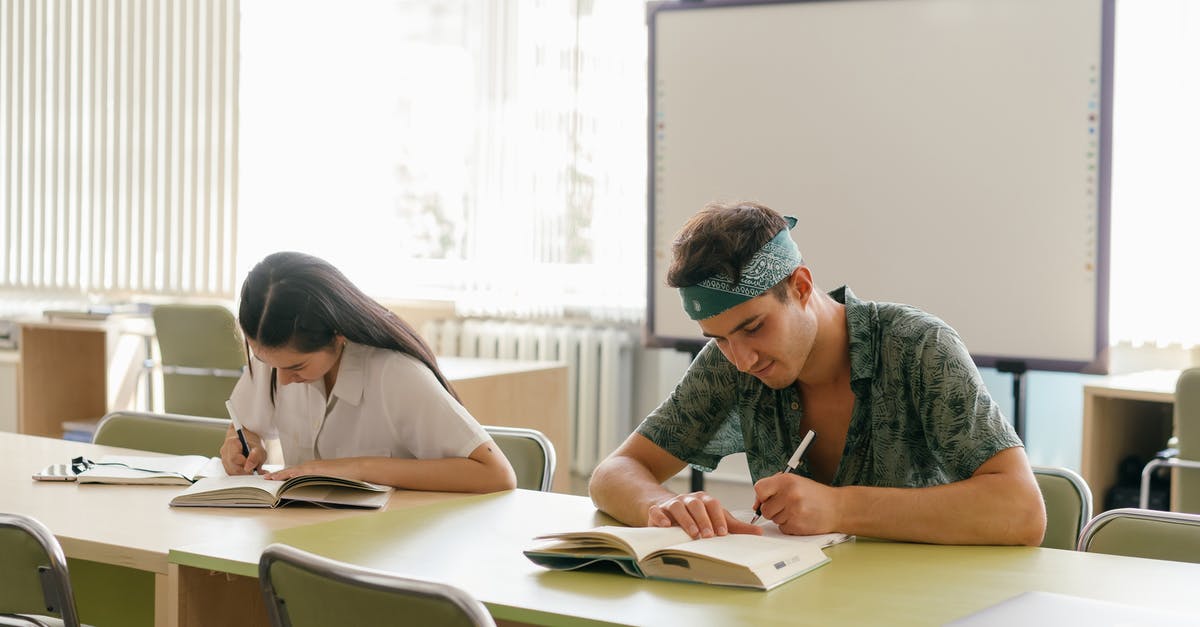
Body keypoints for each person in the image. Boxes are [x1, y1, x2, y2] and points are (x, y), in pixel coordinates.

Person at [589, 201, 1046, 545]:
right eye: (719, 338)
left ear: (802, 286)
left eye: (753, 327)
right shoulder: (729, 363)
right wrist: (663, 506)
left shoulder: (918, 346)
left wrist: (841, 507)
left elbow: (1023, 510)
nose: (742, 359)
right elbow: (615, 472)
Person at [219, 251, 517, 493]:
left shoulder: (395, 374)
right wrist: (243, 447)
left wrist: (357, 468)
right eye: (272, 365)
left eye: (297, 367)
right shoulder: (276, 356)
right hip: (307, 535)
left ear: (337, 334)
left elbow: (496, 474)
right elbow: (245, 427)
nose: (282, 380)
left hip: (394, 545)